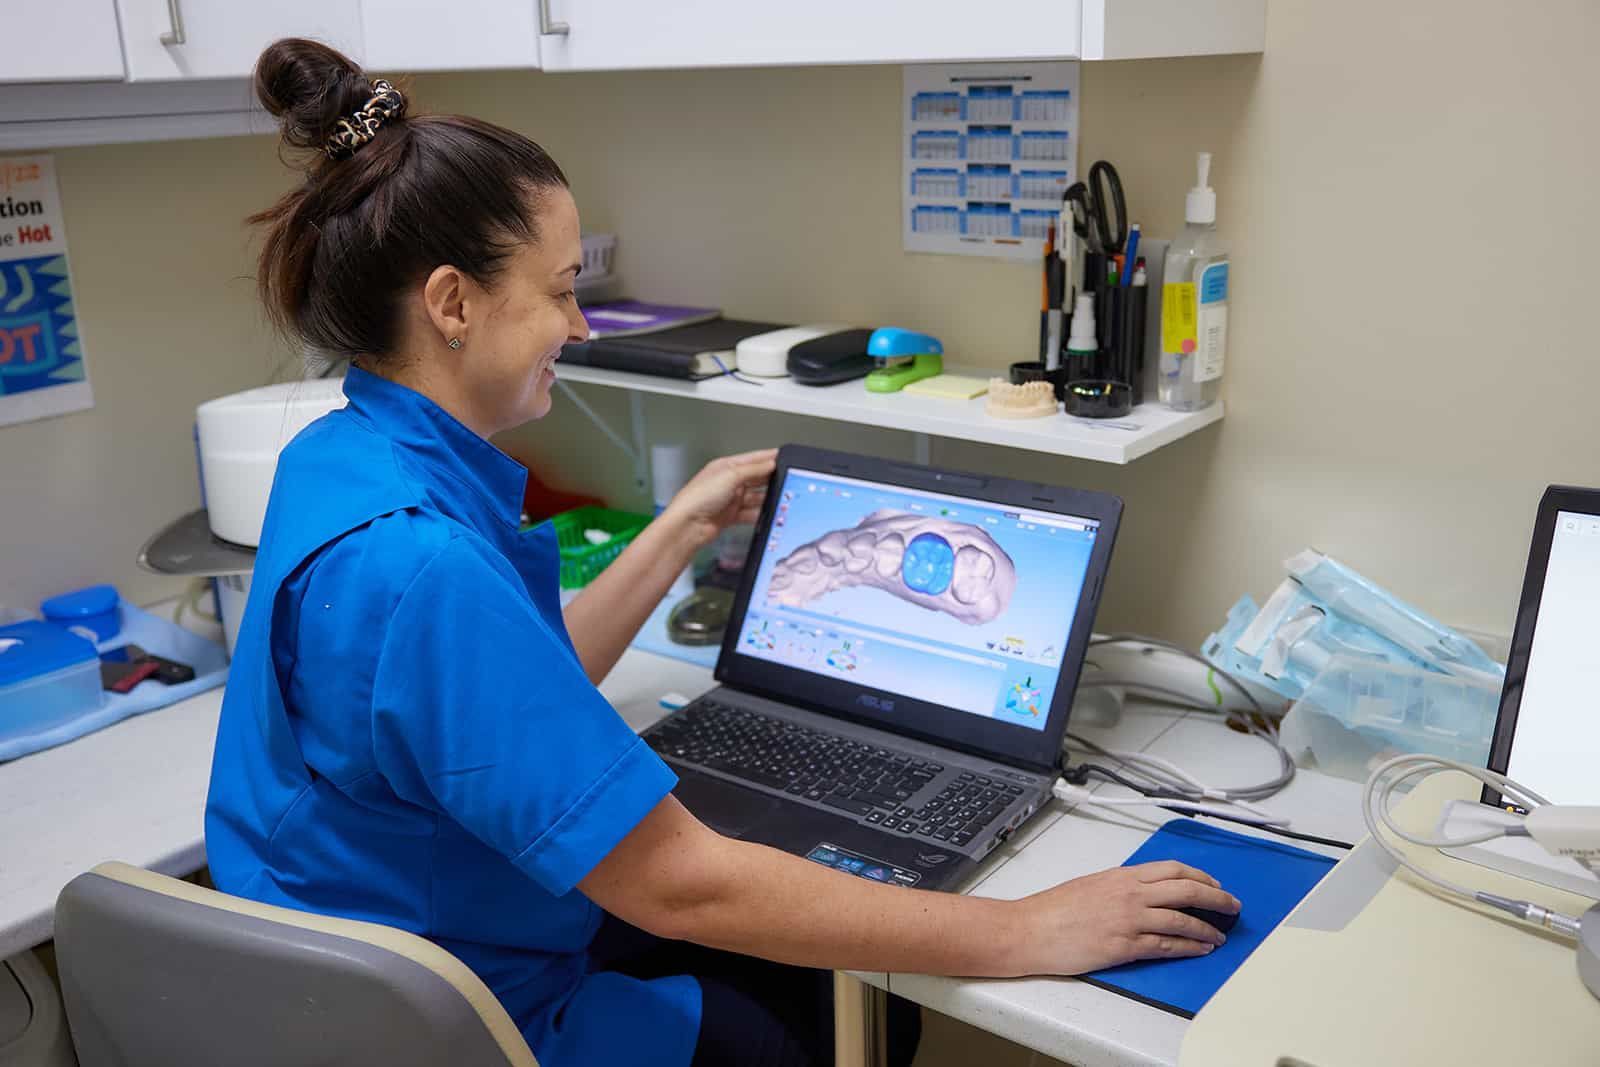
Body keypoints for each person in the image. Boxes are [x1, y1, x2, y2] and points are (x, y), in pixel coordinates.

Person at [205, 39, 1238, 1067]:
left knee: (801, 952)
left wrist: (681, 524)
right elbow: (678, 880)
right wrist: (1025, 928)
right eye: (560, 290)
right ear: (451, 302)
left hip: (358, 975)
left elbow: (504, 688)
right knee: (830, 1014)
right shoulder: (422, 564)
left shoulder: (339, 458)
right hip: (470, 1024)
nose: (577, 320)